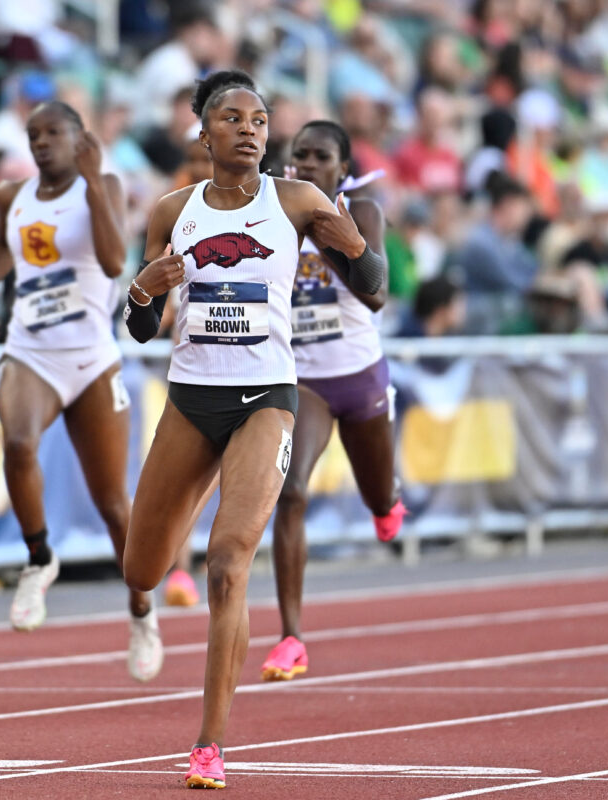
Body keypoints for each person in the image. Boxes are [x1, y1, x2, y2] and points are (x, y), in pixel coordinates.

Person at [122, 70, 384, 790]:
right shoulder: (173, 209)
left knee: (228, 560)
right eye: (233, 119)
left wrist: (357, 246)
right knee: (141, 569)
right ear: (204, 135)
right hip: (190, 399)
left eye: (261, 120)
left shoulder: (297, 200)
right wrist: (145, 290)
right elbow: (140, 326)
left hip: (267, 397)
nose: (250, 129)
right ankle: (146, 598)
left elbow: (374, 284)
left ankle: (209, 744)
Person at [0, 101, 163, 683]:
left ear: (80, 139)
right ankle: (38, 558)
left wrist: (97, 184)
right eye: (33, 135)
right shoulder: (12, 197)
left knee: (113, 506)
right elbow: (5, 243)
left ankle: (142, 613)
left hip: (92, 358)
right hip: (30, 349)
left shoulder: (103, 186)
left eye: (54, 133)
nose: (42, 143)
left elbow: (112, 258)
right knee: (18, 441)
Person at [259, 120, 404, 685]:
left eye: (321, 157)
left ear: (343, 168)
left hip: (360, 377)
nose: (308, 166)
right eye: (300, 157)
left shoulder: (363, 213)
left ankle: (386, 503)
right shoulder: (279, 213)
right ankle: (291, 635)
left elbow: (375, 294)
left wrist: (324, 226)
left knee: (377, 495)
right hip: (307, 381)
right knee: (290, 491)